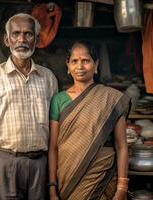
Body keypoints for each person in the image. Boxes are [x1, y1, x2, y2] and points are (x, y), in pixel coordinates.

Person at [0, 13, 58, 200]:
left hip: (39, 164)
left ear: (36, 39)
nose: (22, 39)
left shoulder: (48, 78)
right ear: (7, 39)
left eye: (28, 34)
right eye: (16, 33)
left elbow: (55, 129)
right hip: (3, 161)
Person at [48, 41, 130, 200]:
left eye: (85, 60)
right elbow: (53, 148)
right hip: (68, 180)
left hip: (102, 178)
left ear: (96, 64)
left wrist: (121, 188)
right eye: (74, 61)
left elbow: (121, 146)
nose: (80, 66)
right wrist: (52, 188)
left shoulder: (110, 98)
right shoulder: (58, 100)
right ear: (68, 65)